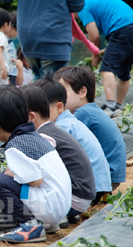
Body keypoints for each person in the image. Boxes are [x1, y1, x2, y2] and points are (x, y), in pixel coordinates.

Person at [0, 85, 71, 243]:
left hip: (50, 207)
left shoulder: (15, 145)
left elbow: (35, 180)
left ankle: (29, 225)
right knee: (7, 177)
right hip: (61, 206)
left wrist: (9, 175)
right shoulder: (34, 135)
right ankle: (46, 223)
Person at [19, 85, 96, 226]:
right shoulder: (54, 129)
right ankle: (68, 216)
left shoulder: (43, 136)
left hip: (74, 199)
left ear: (31, 117)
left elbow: (34, 174)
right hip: (84, 196)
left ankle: (52, 218)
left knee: (22, 184)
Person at [32, 76, 112, 205]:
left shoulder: (61, 127)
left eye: (42, 109)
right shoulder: (71, 121)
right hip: (101, 186)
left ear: (58, 107)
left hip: (91, 190)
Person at [0, 0, 85, 80]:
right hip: (55, 38)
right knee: (51, 90)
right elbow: (77, 3)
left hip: (28, 38)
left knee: (39, 85)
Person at [54, 66, 126, 191]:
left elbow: (65, 142)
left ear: (82, 92)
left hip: (105, 177)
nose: (58, 99)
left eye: (62, 93)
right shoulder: (91, 109)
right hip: (113, 173)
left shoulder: (82, 113)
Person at [74, 0, 133, 116]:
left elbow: (94, 35)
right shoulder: (93, 2)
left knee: (107, 68)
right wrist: (105, 50)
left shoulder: (81, 6)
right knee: (123, 72)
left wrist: (95, 55)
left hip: (122, 30)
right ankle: (117, 106)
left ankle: (110, 107)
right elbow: (121, 43)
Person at [7, 11, 24, 87]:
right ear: (12, 27)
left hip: (13, 74)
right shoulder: (4, 41)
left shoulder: (10, 42)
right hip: (8, 75)